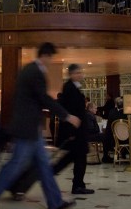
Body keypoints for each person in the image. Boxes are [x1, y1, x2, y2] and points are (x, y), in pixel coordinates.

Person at [0, 43, 80, 209]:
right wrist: (67, 116)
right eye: (50, 57)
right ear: (45, 56)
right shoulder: (35, 72)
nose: (50, 61)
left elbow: (32, 100)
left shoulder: (29, 70)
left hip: (31, 129)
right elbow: (44, 98)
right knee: (14, 166)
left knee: (43, 167)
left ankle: (55, 202)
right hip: (27, 130)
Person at [51, 64, 94, 195]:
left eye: (80, 72)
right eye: (77, 73)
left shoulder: (74, 87)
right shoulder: (69, 88)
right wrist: (71, 132)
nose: (80, 75)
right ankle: (77, 185)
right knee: (78, 159)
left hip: (77, 131)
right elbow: (70, 110)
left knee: (72, 158)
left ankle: (77, 184)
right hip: (75, 132)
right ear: (71, 74)